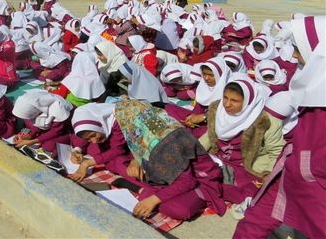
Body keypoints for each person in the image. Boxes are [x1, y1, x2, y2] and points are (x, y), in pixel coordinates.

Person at [233, 15, 325, 239]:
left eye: (298, 48)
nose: (293, 54)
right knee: (254, 222)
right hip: (292, 174)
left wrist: (305, 169)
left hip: (314, 189)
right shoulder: (315, 95)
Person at [114, 99, 226, 220]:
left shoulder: (166, 140)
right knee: (122, 166)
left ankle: (144, 190)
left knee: (181, 210)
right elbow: (142, 150)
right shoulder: (155, 131)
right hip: (173, 178)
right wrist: (135, 160)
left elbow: (188, 182)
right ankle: (148, 191)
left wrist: (153, 200)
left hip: (199, 182)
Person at [198, 76, 284, 212]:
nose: (227, 104)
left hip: (245, 167)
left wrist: (268, 173)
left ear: (248, 102)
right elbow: (209, 135)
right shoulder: (217, 109)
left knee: (251, 192)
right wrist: (193, 152)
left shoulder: (265, 121)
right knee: (192, 171)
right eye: (225, 97)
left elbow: (277, 151)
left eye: (234, 100)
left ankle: (211, 189)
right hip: (218, 158)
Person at [69, 102, 131, 181]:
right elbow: (82, 136)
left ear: (99, 124)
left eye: (93, 135)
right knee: (93, 150)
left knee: (119, 164)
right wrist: (76, 150)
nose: (94, 141)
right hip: (109, 143)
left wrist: (86, 163)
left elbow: (118, 149)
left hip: (130, 151)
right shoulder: (95, 124)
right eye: (89, 139)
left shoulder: (117, 121)